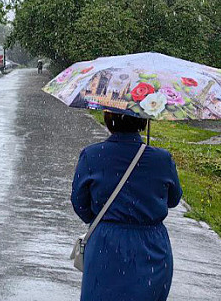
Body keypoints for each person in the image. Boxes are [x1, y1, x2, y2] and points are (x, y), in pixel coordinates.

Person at [71, 111, 182, 301]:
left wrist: (105, 219)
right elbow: (173, 199)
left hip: (105, 245)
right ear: (143, 121)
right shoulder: (162, 159)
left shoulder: (92, 155)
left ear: (108, 120)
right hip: (151, 248)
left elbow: (79, 202)